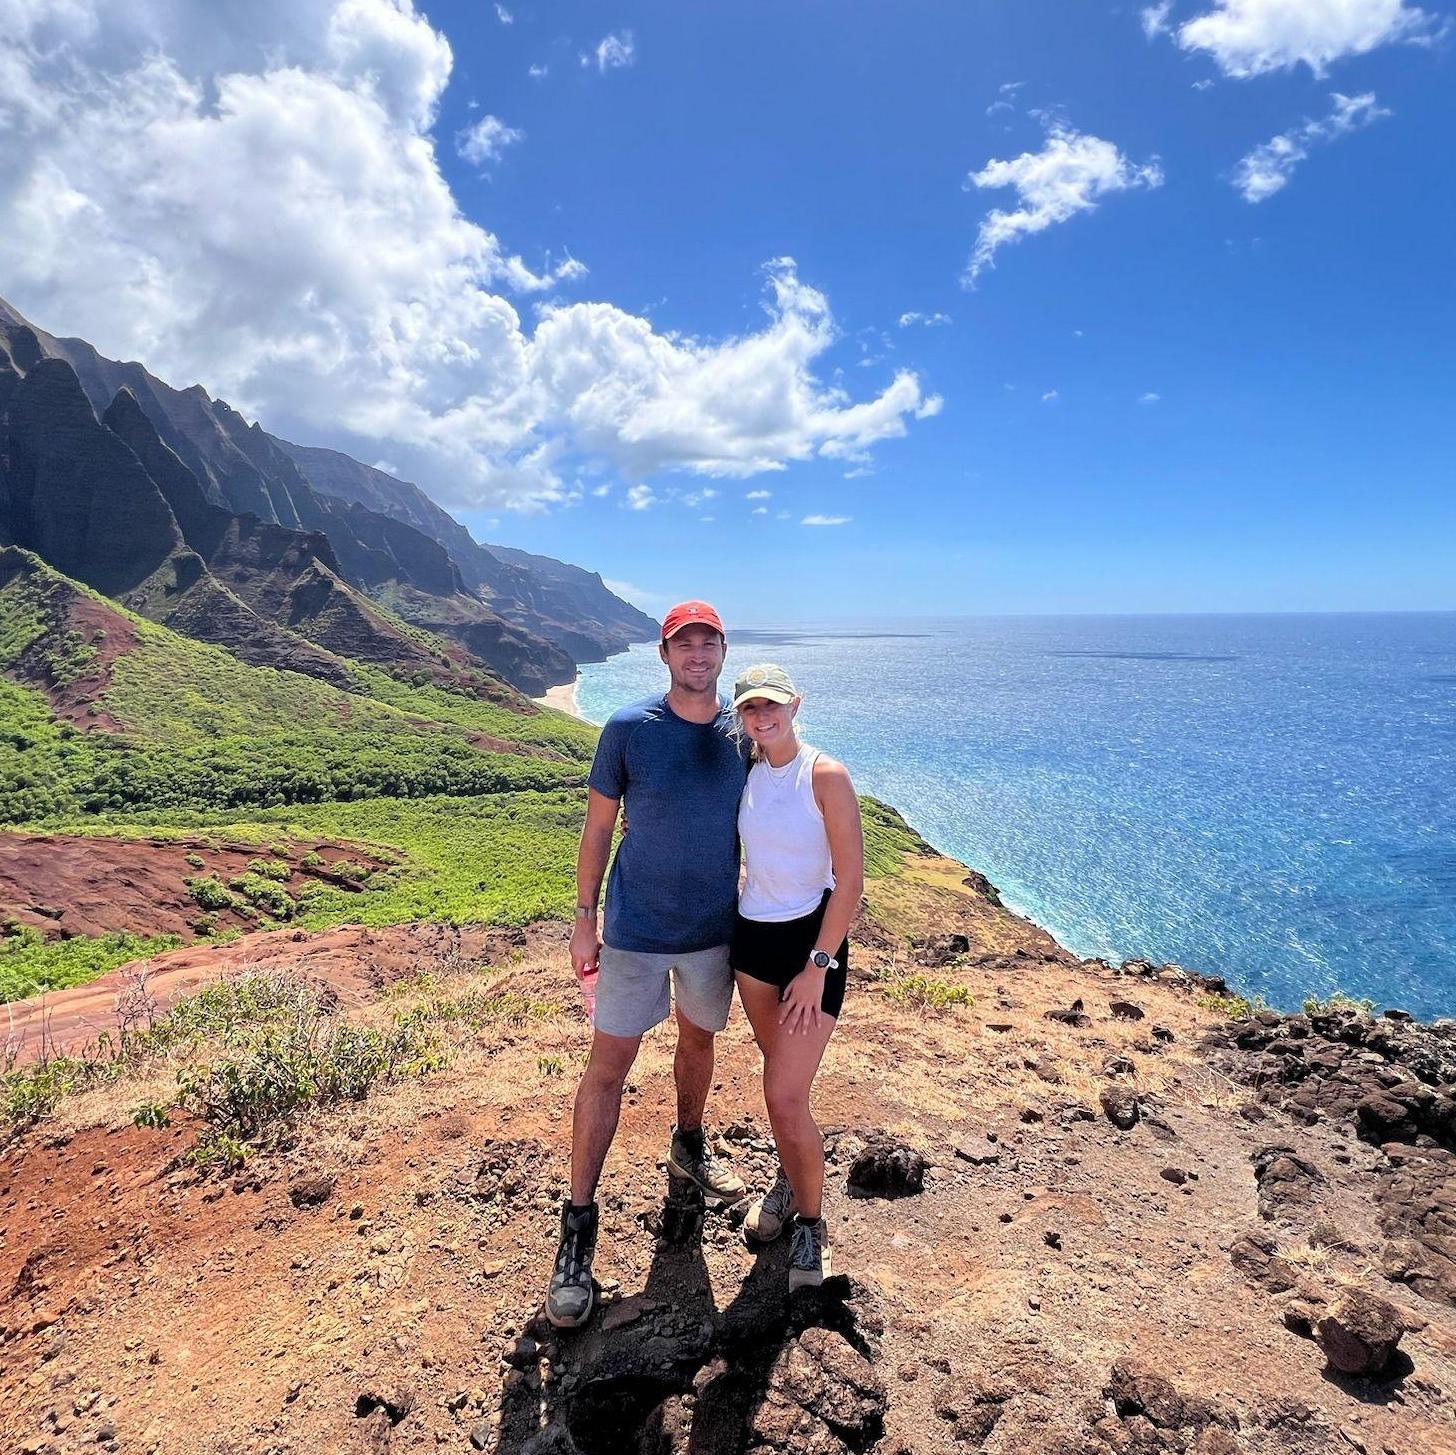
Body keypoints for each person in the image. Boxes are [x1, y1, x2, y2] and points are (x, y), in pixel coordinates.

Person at [546, 600, 748, 1330]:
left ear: (723, 651)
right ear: (664, 655)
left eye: (708, 642)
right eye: (683, 643)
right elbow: (599, 826)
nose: (696, 653)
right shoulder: (629, 728)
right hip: (632, 929)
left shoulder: (742, 732)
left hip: (712, 930)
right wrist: (583, 917)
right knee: (608, 1066)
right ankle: (577, 1230)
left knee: (699, 1042)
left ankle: (688, 1146)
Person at [730, 664, 864, 1290]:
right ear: (742, 715)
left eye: (773, 706)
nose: (763, 717)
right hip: (751, 942)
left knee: (783, 1095)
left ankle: (810, 1224)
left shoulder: (825, 774)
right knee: (779, 1077)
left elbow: (850, 884)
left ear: (794, 705)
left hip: (810, 948)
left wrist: (819, 965)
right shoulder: (747, 771)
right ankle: (789, 1176)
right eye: (752, 708)